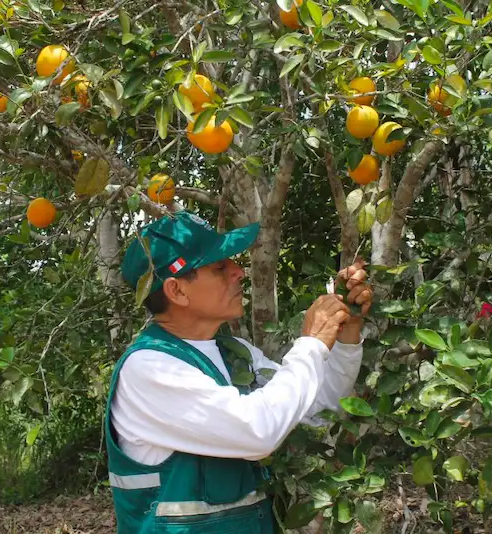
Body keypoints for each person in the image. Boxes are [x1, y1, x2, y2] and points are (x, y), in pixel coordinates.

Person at [104, 211, 373, 533]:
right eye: (220, 268)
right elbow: (257, 431)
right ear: (177, 291)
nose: (239, 272)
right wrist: (311, 344)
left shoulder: (235, 353)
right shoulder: (149, 369)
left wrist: (345, 333)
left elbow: (317, 407)